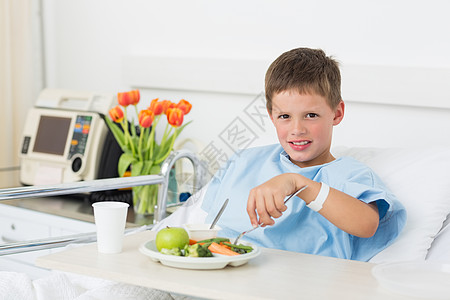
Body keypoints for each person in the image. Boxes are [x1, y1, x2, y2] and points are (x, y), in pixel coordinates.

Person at [154, 47, 406, 262]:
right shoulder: (244, 162)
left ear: (337, 113)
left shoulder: (349, 174)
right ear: (271, 114)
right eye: (285, 116)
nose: (297, 129)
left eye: (311, 115)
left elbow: (367, 224)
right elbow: (210, 228)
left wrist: (299, 184)